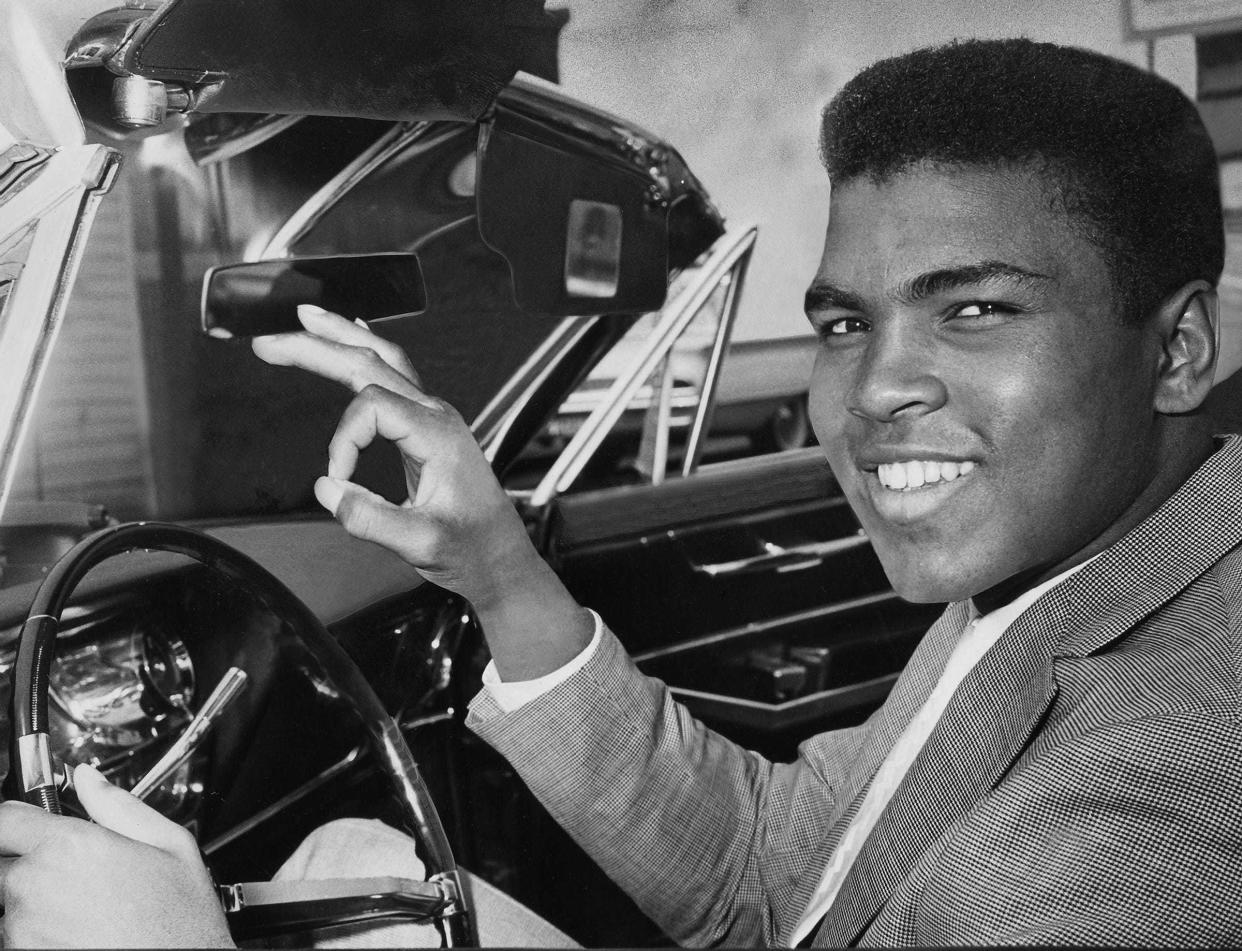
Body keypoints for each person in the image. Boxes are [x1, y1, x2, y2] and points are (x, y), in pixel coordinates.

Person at [1, 35, 1240, 947]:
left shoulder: (1149, 807)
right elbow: (779, 874)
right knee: (350, 869)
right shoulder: (1072, 584)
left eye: (975, 309)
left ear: (1178, 350)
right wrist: (495, 567)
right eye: (844, 323)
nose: (874, 392)